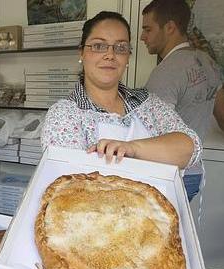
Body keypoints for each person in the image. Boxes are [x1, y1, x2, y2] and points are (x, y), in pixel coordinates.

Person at [42, 11, 202, 170]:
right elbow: (69, 184)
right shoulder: (65, 114)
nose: (110, 55)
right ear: (82, 53)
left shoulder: (147, 102)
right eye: (98, 46)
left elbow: (190, 148)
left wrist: (133, 149)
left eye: (120, 47)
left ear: (127, 57)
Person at [140, 0, 224, 200]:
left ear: (170, 28)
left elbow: (150, 129)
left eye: (148, 29)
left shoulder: (166, 72)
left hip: (169, 175)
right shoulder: (206, 61)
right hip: (194, 173)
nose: (143, 37)